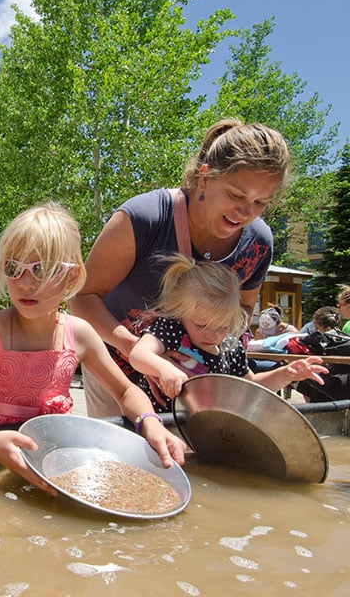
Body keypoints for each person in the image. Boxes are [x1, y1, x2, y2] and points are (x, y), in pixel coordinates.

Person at [0, 203, 186, 495]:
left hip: (52, 463)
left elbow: (125, 391)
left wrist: (150, 422)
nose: (26, 283)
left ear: (72, 275)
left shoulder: (79, 335)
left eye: (42, 269)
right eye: (13, 268)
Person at [69, 119, 291, 418]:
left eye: (261, 202)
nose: (246, 212)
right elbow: (81, 298)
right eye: (237, 195)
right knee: (121, 461)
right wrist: (147, 356)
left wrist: (208, 354)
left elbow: (241, 313)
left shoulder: (259, 242)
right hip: (117, 370)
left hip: (198, 382)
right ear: (204, 177)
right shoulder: (145, 217)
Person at [128, 254, 328, 408]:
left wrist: (286, 374)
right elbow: (138, 354)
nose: (213, 335)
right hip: (160, 425)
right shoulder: (172, 329)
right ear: (181, 313)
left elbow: (251, 387)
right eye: (201, 325)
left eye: (222, 326)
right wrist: (164, 368)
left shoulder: (231, 348)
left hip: (203, 431)